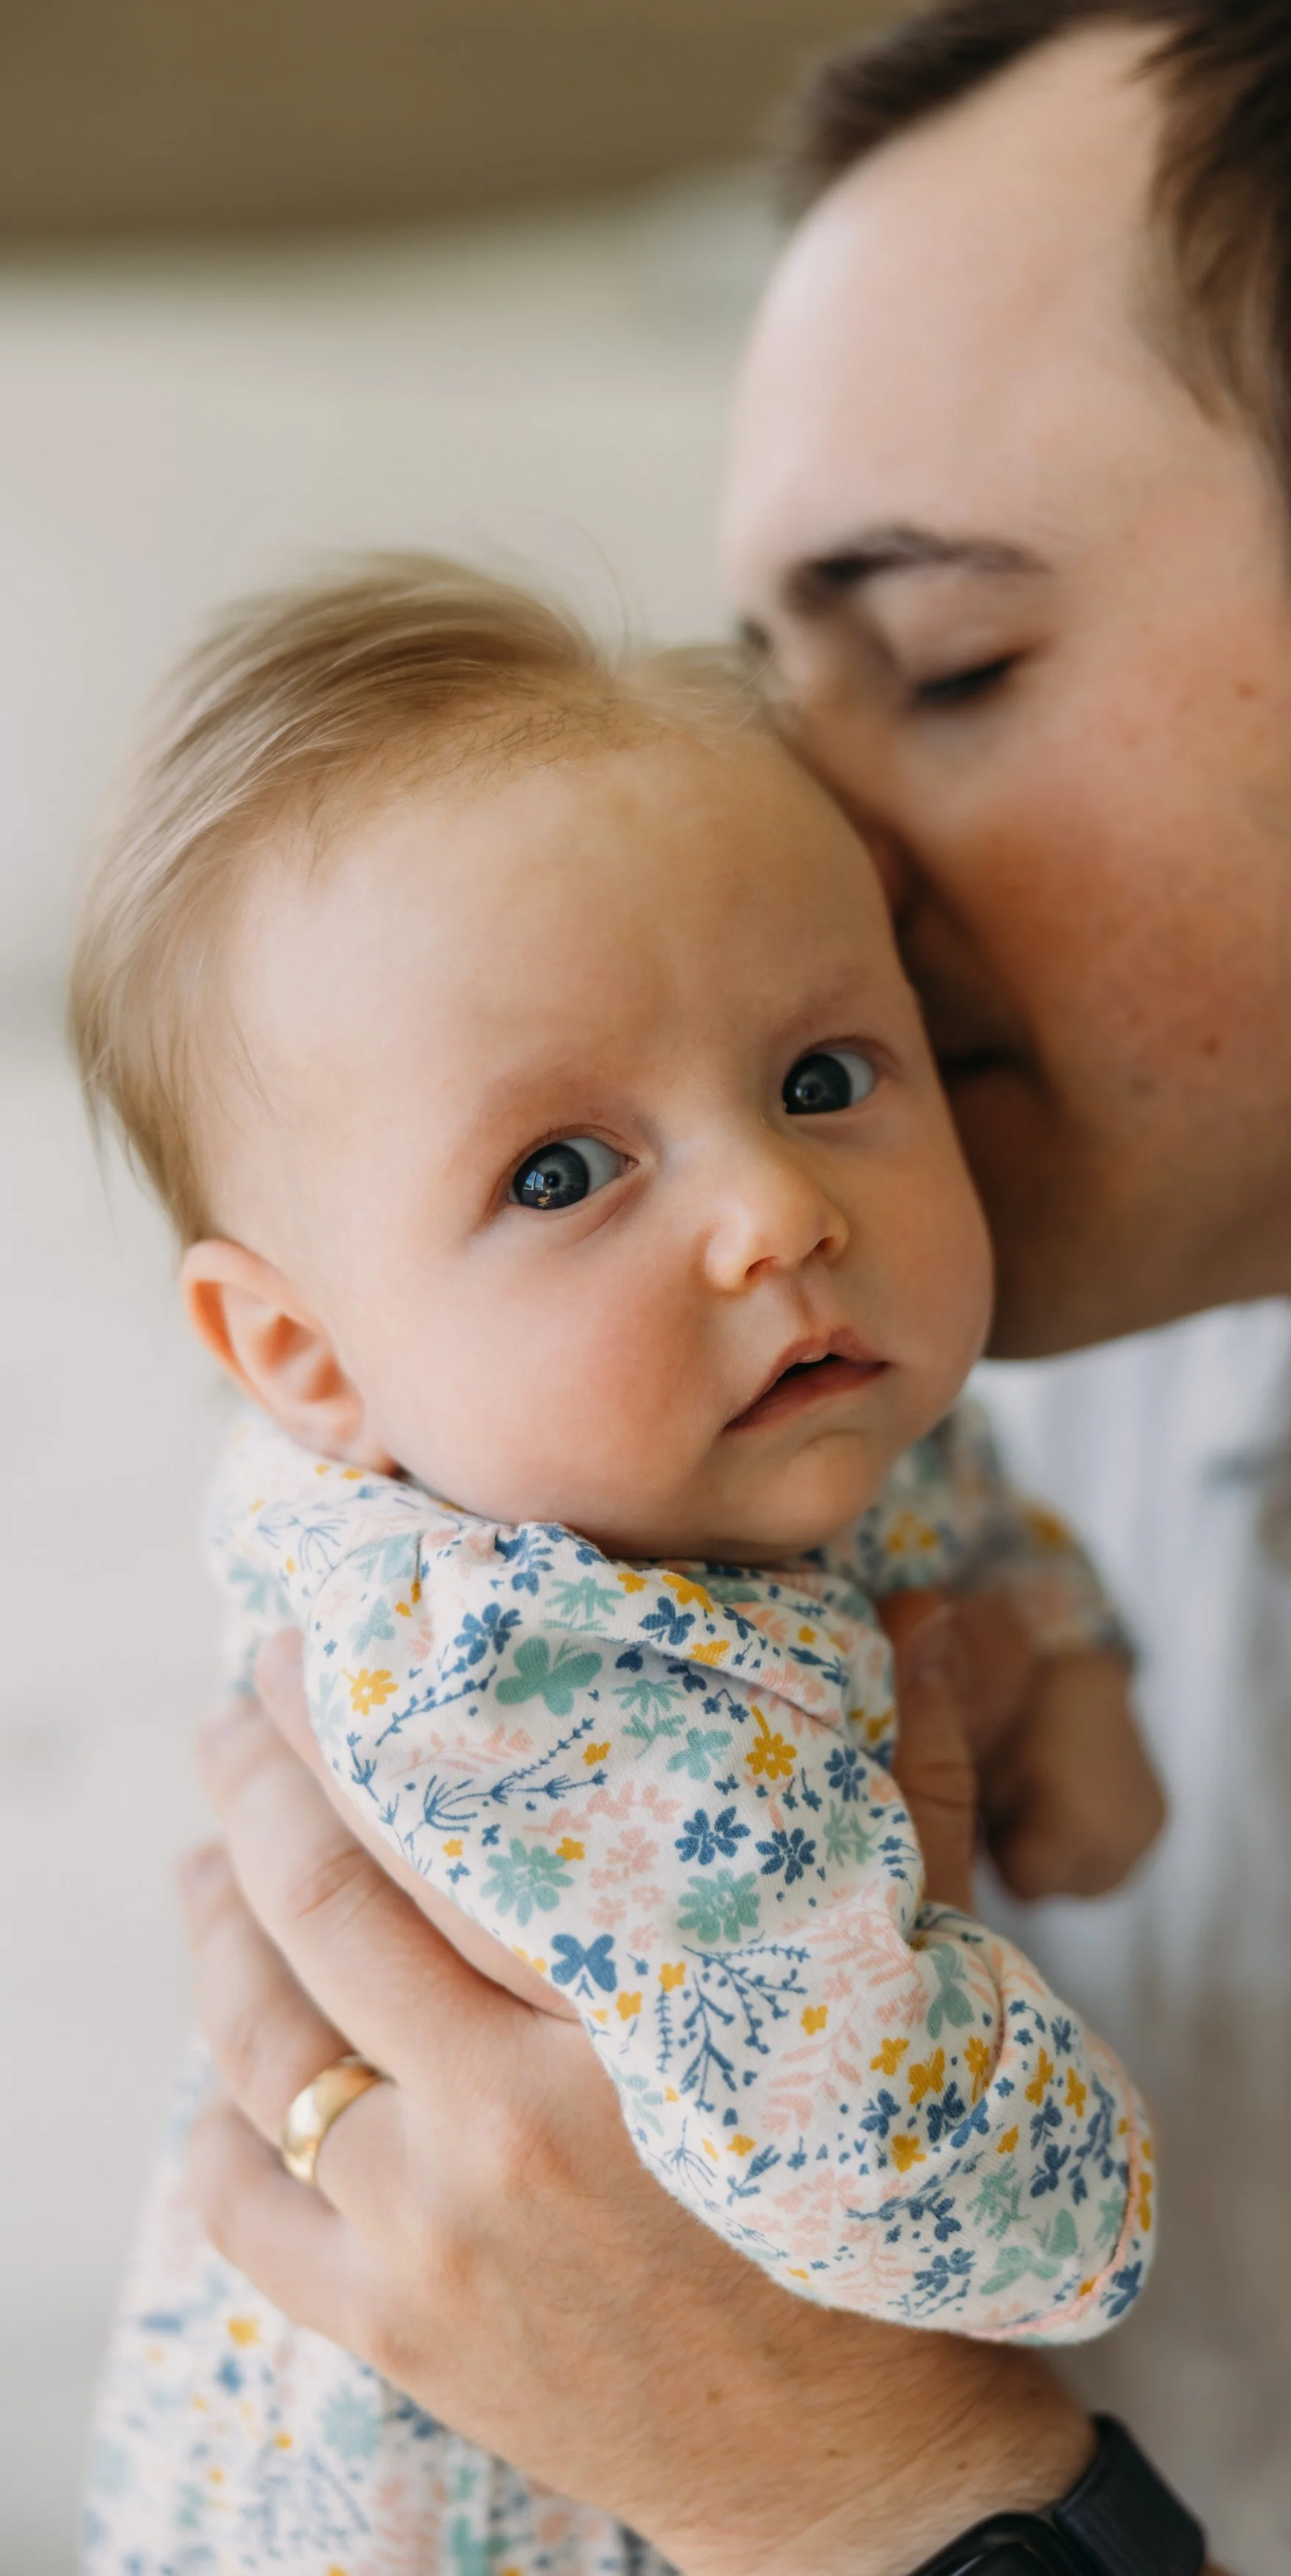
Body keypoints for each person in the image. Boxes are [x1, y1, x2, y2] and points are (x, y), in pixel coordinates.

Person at [169, 0, 1291, 2576]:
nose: (800, 852)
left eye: (945, 658)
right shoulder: (853, 1416)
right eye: (768, 699)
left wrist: (870, 2486)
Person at [70, 561, 1165, 2566]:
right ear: (308, 1355)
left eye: (822, 1078)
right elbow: (846, 2126)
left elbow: (945, 1472)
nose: (777, 1212)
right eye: (562, 1173)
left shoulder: (750, 1417)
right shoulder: (520, 1684)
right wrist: (1096, 2201)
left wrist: (1062, 1652)